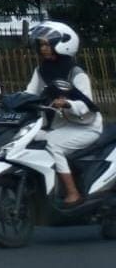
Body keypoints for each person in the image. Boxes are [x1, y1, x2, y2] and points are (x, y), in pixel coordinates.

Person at [24, 21, 103, 207]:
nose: (43, 48)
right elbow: (30, 93)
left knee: (53, 145)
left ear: (62, 44)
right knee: (30, 140)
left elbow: (86, 105)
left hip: (86, 127)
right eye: (41, 44)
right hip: (61, 126)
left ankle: (72, 193)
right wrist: (12, 101)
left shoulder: (76, 73)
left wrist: (67, 103)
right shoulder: (42, 70)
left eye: (47, 44)